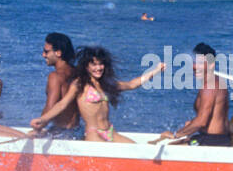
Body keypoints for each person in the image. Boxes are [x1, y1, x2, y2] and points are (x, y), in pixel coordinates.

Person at [31, 46, 164, 143]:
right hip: (94, 134)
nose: (98, 68)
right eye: (93, 65)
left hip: (110, 132)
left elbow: (131, 84)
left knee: (136, 149)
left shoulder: (105, 84)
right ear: (86, 67)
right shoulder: (79, 84)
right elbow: (62, 104)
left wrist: (156, 71)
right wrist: (43, 119)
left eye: (101, 64)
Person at [157, 42, 232, 146]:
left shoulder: (210, 87)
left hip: (212, 142)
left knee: (169, 147)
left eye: (200, 63)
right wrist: (190, 125)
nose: (195, 67)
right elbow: (210, 118)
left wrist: (175, 134)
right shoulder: (216, 82)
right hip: (216, 139)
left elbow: (201, 121)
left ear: (211, 64)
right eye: (194, 62)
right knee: (173, 144)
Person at [40, 33, 80, 134]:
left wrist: (37, 128)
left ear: (58, 53)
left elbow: (50, 108)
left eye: (46, 52)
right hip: (76, 130)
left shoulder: (55, 76)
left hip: (62, 133)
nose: (43, 55)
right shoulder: (77, 72)